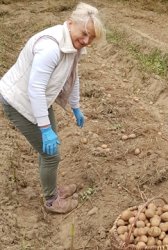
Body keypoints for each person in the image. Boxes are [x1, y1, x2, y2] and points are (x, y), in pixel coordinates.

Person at [0, 2, 106, 214]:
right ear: (70, 23)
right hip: (19, 102)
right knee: (51, 154)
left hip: (38, 100)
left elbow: (72, 76)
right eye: (84, 34)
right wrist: (45, 128)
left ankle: (52, 188)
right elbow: (35, 89)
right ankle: (51, 201)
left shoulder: (73, 46)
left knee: (48, 149)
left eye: (91, 38)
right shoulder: (50, 47)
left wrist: (75, 107)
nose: (86, 41)